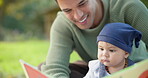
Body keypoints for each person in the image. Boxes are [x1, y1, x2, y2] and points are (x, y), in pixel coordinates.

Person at [41, 0, 148, 78]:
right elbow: (55, 68)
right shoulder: (63, 24)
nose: (78, 16)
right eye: (68, 10)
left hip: (135, 70)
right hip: (97, 71)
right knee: (43, 69)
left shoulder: (127, 6)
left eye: (82, 3)